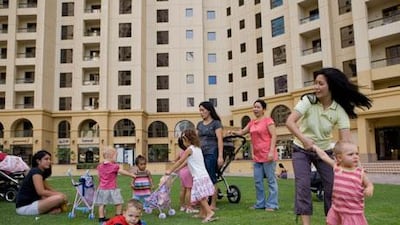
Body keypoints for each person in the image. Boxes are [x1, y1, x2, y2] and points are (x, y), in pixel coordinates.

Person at [285, 67, 372, 225]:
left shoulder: (339, 110)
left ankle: (332, 221)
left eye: (320, 83)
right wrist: (304, 139)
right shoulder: (308, 101)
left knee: (332, 185)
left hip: (324, 151)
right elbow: (290, 122)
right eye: (315, 83)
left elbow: (346, 143)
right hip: (301, 149)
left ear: (330, 86)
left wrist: (357, 166)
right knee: (303, 186)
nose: (315, 87)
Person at [229, 99, 279, 211]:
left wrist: (271, 152)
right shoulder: (252, 122)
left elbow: (274, 136)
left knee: (271, 181)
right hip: (257, 157)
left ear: (263, 109)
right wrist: (233, 132)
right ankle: (260, 204)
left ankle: (272, 204)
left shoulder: (268, 120)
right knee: (258, 181)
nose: (255, 109)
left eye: (258, 107)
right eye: (254, 107)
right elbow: (242, 132)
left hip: (268, 155)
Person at [312, 141, 373, 225]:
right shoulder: (337, 168)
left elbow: (369, 184)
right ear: (340, 158)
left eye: (357, 154)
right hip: (337, 209)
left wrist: (369, 188)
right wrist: (315, 147)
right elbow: (323, 156)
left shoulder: (360, 173)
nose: (355, 157)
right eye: (351, 154)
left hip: (353, 213)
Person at [166, 129, 217, 223]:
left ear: (188, 140)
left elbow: (180, 161)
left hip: (198, 177)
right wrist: (177, 170)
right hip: (204, 175)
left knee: (201, 197)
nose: (183, 142)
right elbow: (185, 162)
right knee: (203, 196)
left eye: (184, 140)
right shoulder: (197, 148)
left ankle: (209, 212)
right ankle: (202, 213)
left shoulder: (189, 150)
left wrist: (170, 170)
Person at [16, 150, 68, 215]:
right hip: (25, 207)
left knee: (59, 198)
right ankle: (52, 209)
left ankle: (52, 209)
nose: (49, 161)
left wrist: (60, 193)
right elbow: (41, 192)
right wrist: (60, 195)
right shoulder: (36, 172)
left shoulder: (39, 172)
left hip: (35, 202)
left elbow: (48, 188)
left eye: (50, 159)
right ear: (38, 161)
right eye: (46, 159)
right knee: (59, 198)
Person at [95, 146, 136, 223]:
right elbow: (122, 172)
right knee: (118, 203)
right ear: (111, 156)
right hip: (112, 188)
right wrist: (132, 175)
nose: (116, 158)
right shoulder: (114, 166)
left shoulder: (99, 166)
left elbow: (99, 176)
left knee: (102, 204)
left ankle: (101, 218)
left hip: (102, 188)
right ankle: (118, 216)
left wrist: (99, 185)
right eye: (116, 156)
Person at [197, 101, 224, 210]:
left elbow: (220, 139)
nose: (201, 112)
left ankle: (213, 204)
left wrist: (220, 156)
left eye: (202, 110)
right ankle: (204, 202)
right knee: (202, 178)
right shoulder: (199, 124)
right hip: (200, 154)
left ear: (209, 110)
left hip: (211, 153)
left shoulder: (216, 123)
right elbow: (196, 139)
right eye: (200, 110)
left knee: (211, 177)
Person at [175, 138, 198, 213]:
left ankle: (182, 206)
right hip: (188, 171)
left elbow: (176, 160)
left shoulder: (181, 152)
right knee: (189, 189)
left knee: (183, 189)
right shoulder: (189, 151)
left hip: (181, 172)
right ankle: (189, 207)